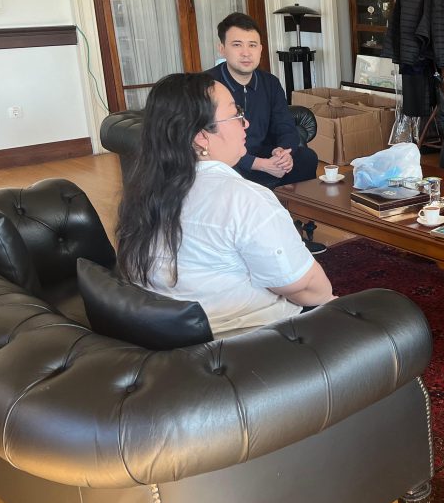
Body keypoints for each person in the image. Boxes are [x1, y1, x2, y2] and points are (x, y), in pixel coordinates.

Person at [116, 73, 335, 334]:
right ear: (201, 137)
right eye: (236, 115)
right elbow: (310, 289)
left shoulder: (141, 192)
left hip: (171, 335)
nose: (246, 123)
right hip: (249, 342)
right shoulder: (244, 199)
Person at [207, 12, 318, 188]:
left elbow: (286, 127)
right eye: (237, 45)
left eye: (252, 45)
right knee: (227, 169)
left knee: (307, 158)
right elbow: (210, 145)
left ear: (260, 49)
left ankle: (291, 205)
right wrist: (258, 164)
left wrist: (283, 153)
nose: (246, 53)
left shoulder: (270, 83)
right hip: (231, 161)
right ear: (222, 48)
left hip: (265, 155)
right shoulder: (207, 85)